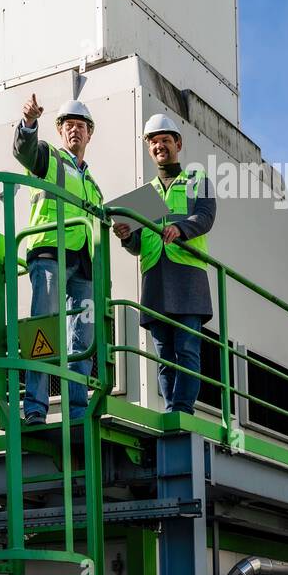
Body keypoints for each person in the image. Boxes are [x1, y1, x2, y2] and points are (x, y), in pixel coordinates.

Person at [112, 114, 216, 415]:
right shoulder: (146, 194)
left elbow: (206, 217)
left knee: (187, 350)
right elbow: (137, 245)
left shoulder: (198, 181)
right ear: (149, 149)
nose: (159, 146)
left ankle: (182, 409)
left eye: (165, 140)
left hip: (188, 279)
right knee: (164, 354)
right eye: (154, 142)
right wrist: (125, 236)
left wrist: (181, 229)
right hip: (155, 279)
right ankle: (172, 406)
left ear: (177, 144)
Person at [12, 93, 103, 425]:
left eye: (81, 126)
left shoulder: (93, 184)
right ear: (61, 131)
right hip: (50, 253)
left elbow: (102, 219)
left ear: (90, 134)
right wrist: (29, 124)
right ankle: (35, 407)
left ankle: (77, 411)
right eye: (69, 125)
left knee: (82, 338)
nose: (75, 131)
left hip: (82, 263)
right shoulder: (49, 158)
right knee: (44, 330)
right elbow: (25, 151)